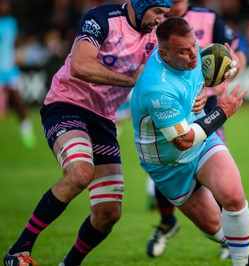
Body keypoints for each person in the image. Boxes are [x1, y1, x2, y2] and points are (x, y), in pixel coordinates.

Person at [3, 1, 173, 265]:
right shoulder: (102, 18)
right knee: (80, 173)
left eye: (165, 14)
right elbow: (80, 66)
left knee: (109, 213)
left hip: (103, 119)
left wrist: (196, 93)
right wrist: (131, 80)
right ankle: (18, 251)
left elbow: (171, 72)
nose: (160, 19)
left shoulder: (157, 35)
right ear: (140, 5)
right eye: (158, 12)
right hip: (66, 105)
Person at [130, 16, 249, 266]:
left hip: (202, 144)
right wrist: (223, 111)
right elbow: (182, 141)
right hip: (168, 165)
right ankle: (236, 246)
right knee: (214, 227)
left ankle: (241, 262)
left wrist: (217, 78)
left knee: (233, 197)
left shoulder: (193, 57)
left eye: (193, 45)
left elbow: (200, 79)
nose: (194, 55)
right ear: (166, 55)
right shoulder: (157, 88)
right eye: (184, 51)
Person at [0, 0, 36, 149]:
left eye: (6, 3)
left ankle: (26, 131)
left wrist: (18, 56)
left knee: (18, 100)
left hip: (10, 69)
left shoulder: (11, 22)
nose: (4, 6)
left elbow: (14, 43)